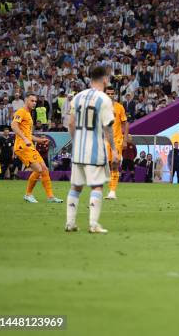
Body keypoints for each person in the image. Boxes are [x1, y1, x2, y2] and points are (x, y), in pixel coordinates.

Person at [65, 66, 117, 234]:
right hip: (95, 151)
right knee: (96, 187)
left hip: (78, 150)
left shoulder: (78, 97)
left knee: (75, 187)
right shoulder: (104, 99)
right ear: (104, 79)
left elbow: (71, 123)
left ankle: (70, 223)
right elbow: (108, 127)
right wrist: (114, 151)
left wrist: (76, 141)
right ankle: (93, 224)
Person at [11, 92, 63, 203]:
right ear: (26, 101)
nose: (34, 103)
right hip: (22, 146)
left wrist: (40, 140)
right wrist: (24, 139)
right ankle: (28, 194)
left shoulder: (29, 115)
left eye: (35, 101)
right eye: (32, 100)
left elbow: (29, 135)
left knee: (44, 169)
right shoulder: (21, 111)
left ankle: (50, 197)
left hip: (29, 146)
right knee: (38, 169)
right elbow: (13, 125)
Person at [104, 86, 128, 199]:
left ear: (114, 94)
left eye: (112, 93)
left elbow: (125, 124)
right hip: (105, 140)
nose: (110, 95)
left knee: (114, 163)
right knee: (108, 165)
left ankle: (113, 191)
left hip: (117, 140)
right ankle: (110, 190)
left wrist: (125, 139)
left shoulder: (119, 107)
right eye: (108, 93)